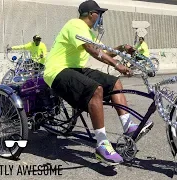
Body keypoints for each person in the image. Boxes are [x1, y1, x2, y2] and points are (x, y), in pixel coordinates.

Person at [43, 0, 153, 165]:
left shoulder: (88, 32)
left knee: (114, 82)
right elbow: (91, 49)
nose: (100, 17)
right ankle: (102, 145)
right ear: (90, 14)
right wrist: (117, 65)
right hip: (57, 70)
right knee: (96, 90)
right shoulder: (75, 24)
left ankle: (128, 127)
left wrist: (122, 48)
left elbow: (103, 51)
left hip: (75, 69)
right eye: (99, 13)